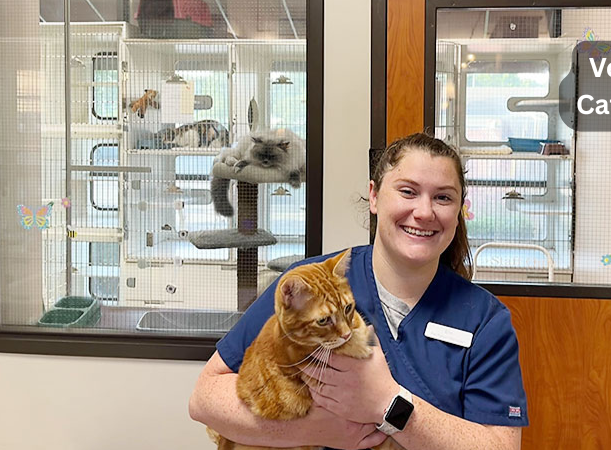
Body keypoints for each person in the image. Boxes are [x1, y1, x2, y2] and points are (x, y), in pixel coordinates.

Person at [189, 132, 528, 450]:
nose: (424, 212)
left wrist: (389, 405)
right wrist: (314, 429)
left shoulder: (484, 320)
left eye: (443, 197)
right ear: (375, 196)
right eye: (408, 192)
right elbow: (204, 399)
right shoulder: (310, 285)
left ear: (458, 211)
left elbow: (500, 446)